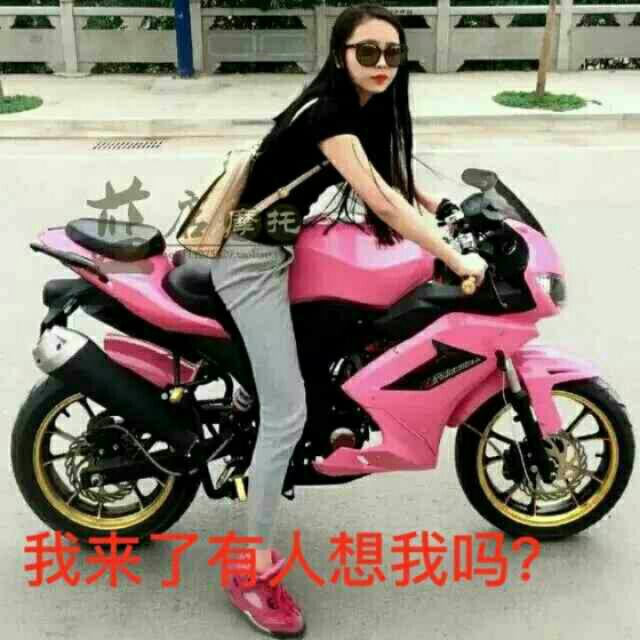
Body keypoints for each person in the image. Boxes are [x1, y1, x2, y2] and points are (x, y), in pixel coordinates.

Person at [190, 3, 488, 636]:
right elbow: (383, 201)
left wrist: (449, 205)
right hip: (251, 260)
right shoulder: (329, 114)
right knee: (287, 413)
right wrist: (452, 254)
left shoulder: (355, 106)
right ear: (340, 54)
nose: (382, 64)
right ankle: (250, 572)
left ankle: (252, 404)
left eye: (392, 53)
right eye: (367, 52)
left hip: (280, 244)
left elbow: (391, 178)